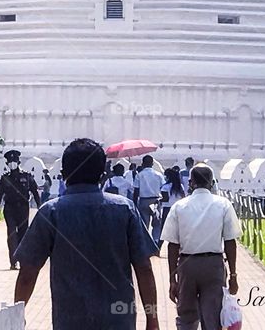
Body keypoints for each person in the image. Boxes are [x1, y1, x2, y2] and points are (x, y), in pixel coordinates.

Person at [14, 138, 160, 330]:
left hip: (70, 320)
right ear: (102, 174)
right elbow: (144, 268)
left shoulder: (51, 212)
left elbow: (28, 272)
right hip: (118, 320)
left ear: (64, 173)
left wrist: (17, 316)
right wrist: (152, 320)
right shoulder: (125, 209)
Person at [162, 165, 240, 330]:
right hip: (213, 265)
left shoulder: (179, 206)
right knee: (212, 316)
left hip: (186, 265)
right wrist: (233, 274)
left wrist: (172, 279)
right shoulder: (223, 205)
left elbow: (172, 245)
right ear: (212, 183)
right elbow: (230, 242)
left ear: (190, 183)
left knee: (186, 316)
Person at [0, 149, 40, 270]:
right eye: (10, 161)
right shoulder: (5, 178)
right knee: (12, 234)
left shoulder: (27, 176)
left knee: (23, 235)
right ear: (7, 163)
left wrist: (40, 207)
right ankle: (13, 261)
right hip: (10, 209)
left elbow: (35, 191)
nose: (12, 163)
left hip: (23, 208)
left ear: (18, 162)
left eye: (14, 161)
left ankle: (23, 259)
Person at [133, 155, 163, 240]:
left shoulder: (139, 175)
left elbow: (136, 191)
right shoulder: (158, 174)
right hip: (156, 201)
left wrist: (135, 204)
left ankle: (145, 243)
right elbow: (163, 188)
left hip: (143, 201)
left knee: (144, 225)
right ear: (152, 163)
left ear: (142, 164)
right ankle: (156, 242)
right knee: (157, 224)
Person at [155, 166, 186, 248]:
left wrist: (158, 200)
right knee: (178, 230)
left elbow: (165, 199)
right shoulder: (180, 186)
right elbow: (183, 197)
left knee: (163, 229)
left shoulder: (165, 187)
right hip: (179, 208)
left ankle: (158, 248)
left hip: (167, 209)